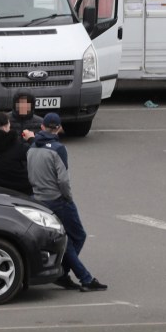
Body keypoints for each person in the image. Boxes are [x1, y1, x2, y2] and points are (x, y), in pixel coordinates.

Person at [27, 112, 108, 292]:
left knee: (65, 240)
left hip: (39, 199)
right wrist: (68, 197)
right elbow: (63, 179)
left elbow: (30, 173)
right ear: (59, 128)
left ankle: (66, 274)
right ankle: (80, 277)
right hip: (58, 200)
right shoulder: (58, 149)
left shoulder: (32, 147)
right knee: (77, 236)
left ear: (42, 127)